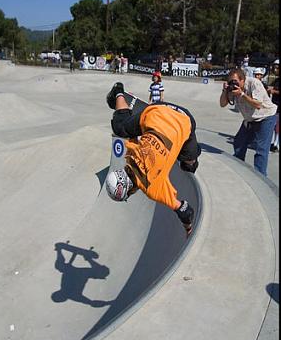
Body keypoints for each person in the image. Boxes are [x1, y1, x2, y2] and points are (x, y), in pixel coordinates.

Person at [105, 82, 201, 236]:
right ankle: (118, 92)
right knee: (120, 127)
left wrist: (188, 228)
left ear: (129, 190)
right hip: (157, 109)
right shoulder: (129, 155)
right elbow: (131, 138)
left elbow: (185, 210)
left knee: (189, 166)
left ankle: (192, 151)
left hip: (186, 119)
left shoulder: (153, 189)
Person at [219, 68, 277, 176]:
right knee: (239, 142)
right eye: (231, 81)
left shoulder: (254, 83)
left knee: (261, 149)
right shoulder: (233, 89)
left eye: (235, 81)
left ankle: (260, 177)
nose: (233, 84)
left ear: (242, 80)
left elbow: (258, 104)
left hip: (265, 117)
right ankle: (239, 168)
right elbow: (222, 104)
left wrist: (242, 94)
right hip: (250, 119)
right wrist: (225, 91)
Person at [267, 59, 279, 152]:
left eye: (277, 68)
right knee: (275, 126)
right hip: (275, 105)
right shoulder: (277, 80)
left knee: (277, 126)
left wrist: (274, 91)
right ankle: (273, 142)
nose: (275, 70)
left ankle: (276, 144)